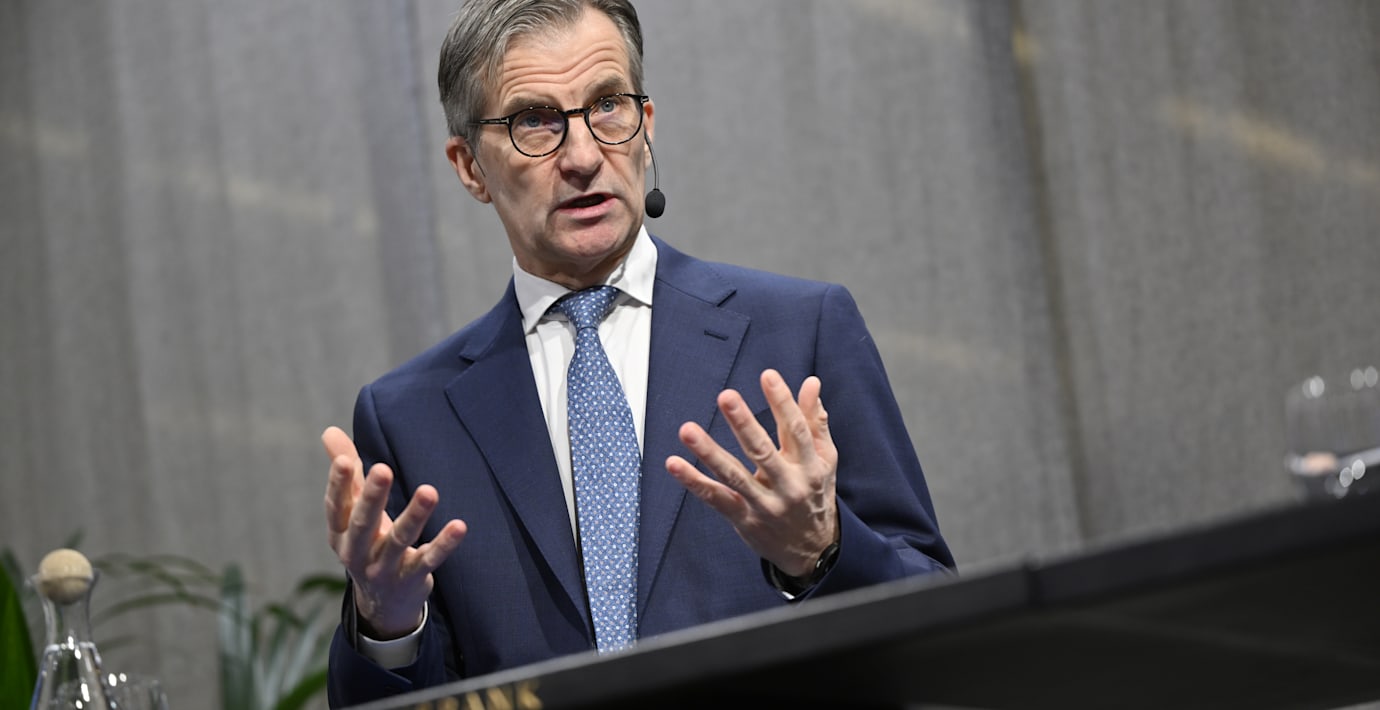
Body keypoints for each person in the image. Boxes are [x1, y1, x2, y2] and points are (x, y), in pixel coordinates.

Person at [321, 0, 954, 705]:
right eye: (535, 121)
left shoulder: (800, 331)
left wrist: (822, 550)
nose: (584, 156)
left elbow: (941, 629)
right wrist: (387, 624)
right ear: (470, 166)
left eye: (607, 106)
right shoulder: (409, 419)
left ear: (645, 126)